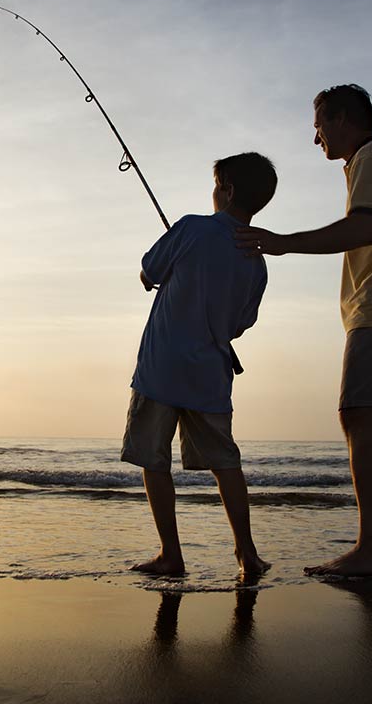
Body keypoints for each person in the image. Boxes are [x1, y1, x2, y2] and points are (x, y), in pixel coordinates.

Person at [235, 85, 372, 577]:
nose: (316, 139)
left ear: (342, 119)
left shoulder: (371, 159)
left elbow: (365, 228)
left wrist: (283, 243)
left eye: (318, 126)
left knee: (357, 414)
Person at [122, 152, 277, 578]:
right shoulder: (257, 262)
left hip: (161, 369)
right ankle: (247, 553)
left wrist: (155, 276)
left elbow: (148, 270)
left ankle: (171, 555)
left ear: (225, 191)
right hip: (210, 375)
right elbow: (242, 323)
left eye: (215, 186)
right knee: (225, 462)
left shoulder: (192, 227)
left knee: (155, 460)